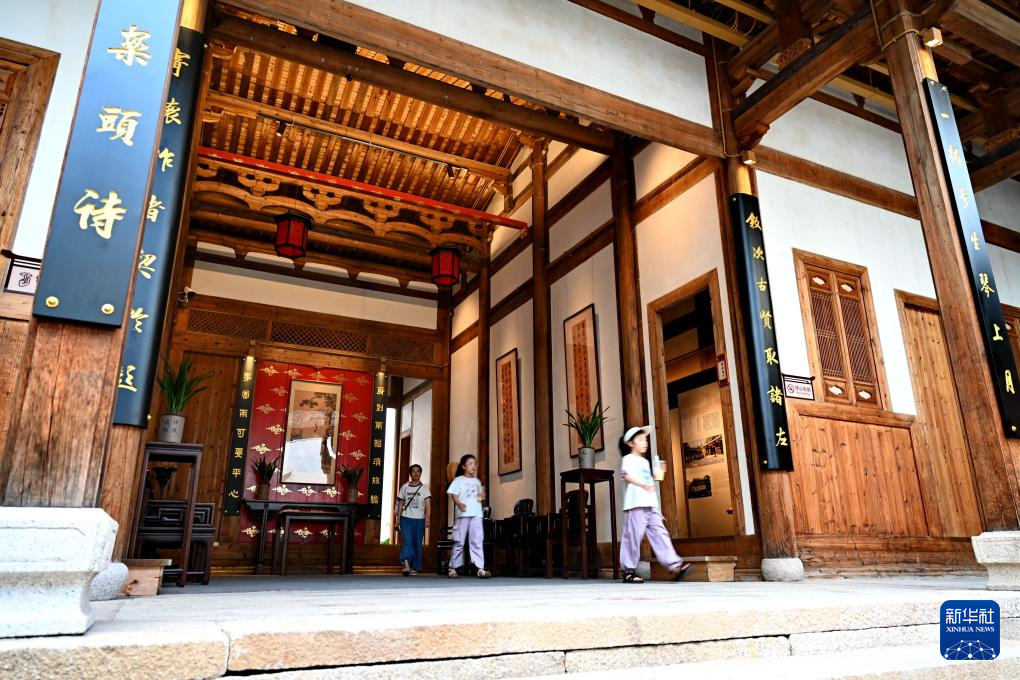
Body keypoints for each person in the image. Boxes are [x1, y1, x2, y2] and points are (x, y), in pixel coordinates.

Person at [619, 426, 691, 583]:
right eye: (640, 440)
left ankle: (674, 567)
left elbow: (649, 482)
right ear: (631, 443)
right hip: (635, 504)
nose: (644, 442)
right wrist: (642, 484)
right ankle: (628, 571)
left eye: (645, 439)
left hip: (650, 504)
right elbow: (626, 476)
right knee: (633, 537)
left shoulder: (645, 462)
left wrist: (657, 475)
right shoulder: (628, 459)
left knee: (660, 533)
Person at [446, 454, 490, 578]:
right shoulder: (458, 480)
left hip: (476, 514)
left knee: (477, 541)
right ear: (464, 466)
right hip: (463, 514)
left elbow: (479, 498)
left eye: (475, 464)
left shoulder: (477, 481)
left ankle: (480, 568)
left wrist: (482, 495)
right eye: (470, 463)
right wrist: (459, 503)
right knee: (459, 541)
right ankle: (452, 568)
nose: (473, 466)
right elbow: (453, 494)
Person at [396, 464, 431, 576]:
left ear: (420, 473)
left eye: (418, 471)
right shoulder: (404, 487)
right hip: (406, 518)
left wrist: (427, 518)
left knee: (416, 543)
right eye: (413, 471)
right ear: (410, 473)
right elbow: (400, 504)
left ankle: (414, 566)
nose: (415, 473)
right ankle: (406, 565)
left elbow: (428, 504)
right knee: (407, 541)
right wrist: (398, 520)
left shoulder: (425, 489)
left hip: (419, 520)